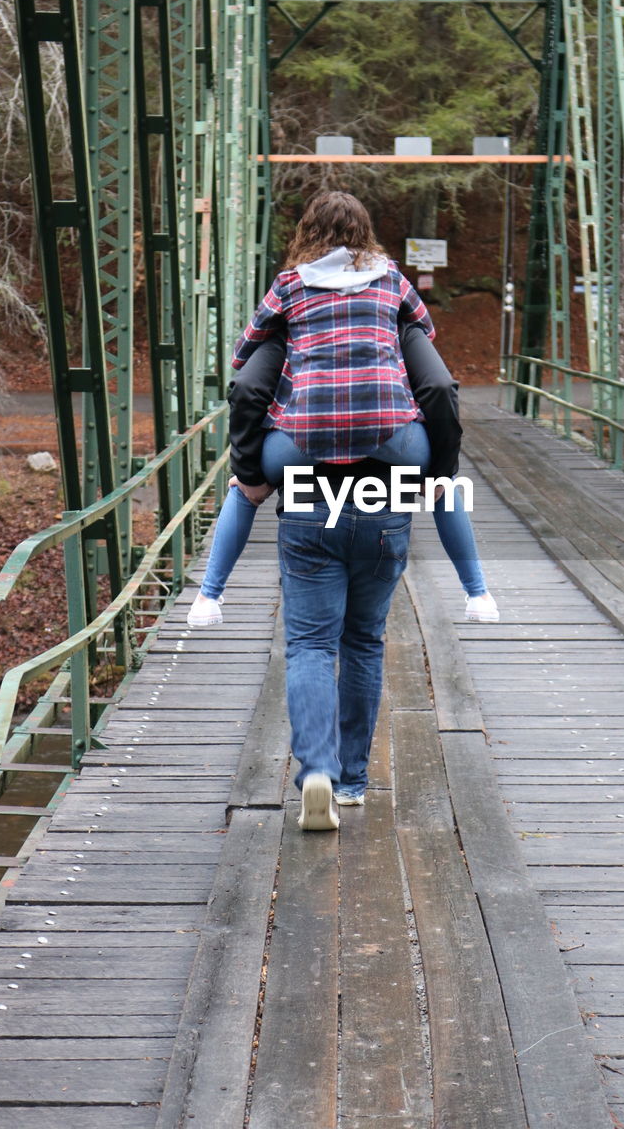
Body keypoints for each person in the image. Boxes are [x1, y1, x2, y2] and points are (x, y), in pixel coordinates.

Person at [188, 191, 498, 629]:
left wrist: (253, 471)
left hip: (304, 441)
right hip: (392, 438)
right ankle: (478, 594)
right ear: (365, 232)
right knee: (444, 485)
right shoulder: (390, 278)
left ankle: (208, 598)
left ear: (306, 232)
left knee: (244, 487)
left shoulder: (290, 285)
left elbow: (243, 361)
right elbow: (424, 334)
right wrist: (438, 471)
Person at [277, 460, 413, 827]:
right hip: (385, 503)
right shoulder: (403, 397)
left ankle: (319, 770)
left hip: (309, 501)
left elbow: (258, 417)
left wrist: (252, 473)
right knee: (364, 641)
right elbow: (436, 425)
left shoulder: (296, 396)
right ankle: (350, 783)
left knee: (311, 645)